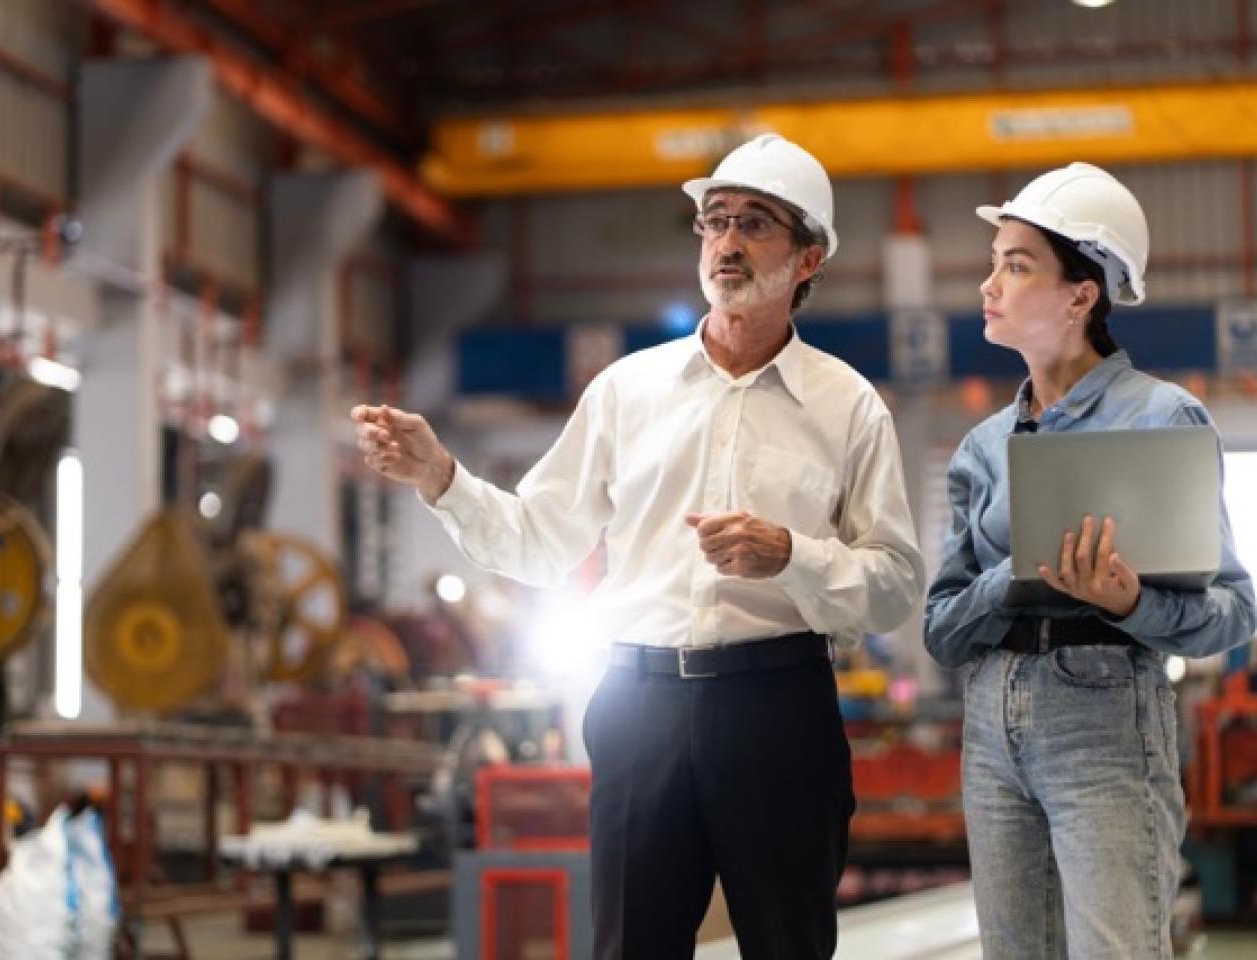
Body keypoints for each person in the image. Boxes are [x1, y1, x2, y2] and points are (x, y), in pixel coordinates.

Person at [353, 133, 923, 959]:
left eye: (755, 224)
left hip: (777, 705)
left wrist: (791, 556)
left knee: (789, 945)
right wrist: (444, 476)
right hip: (638, 704)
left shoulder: (849, 407)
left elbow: (897, 582)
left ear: (808, 259)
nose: (725, 242)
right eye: (713, 221)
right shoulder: (629, 391)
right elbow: (543, 542)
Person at [924, 162, 1257, 959]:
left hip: (1105, 717)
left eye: (1016, 263)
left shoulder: (1161, 418)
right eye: (992, 261)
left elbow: (1233, 612)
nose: (988, 284)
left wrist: (1127, 602)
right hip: (989, 720)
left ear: (1082, 294)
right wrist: (1017, 575)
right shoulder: (981, 448)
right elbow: (941, 627)